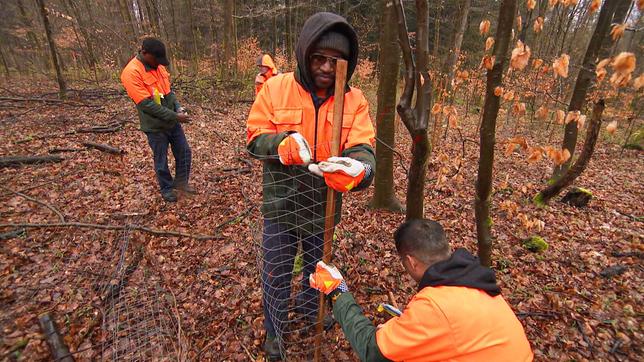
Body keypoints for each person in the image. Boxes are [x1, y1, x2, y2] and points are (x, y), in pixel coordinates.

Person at [246, 12, 376, 360]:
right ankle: (275, 331)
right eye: (319, 58)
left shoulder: (354, 100)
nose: (326, 68)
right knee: (276, 272)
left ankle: (310, 310)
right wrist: (282, 145)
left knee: (318, 268)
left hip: (325, 206)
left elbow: (363, 147)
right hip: (281, 204)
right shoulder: (275, 88)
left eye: (336, 61)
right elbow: (255, 138)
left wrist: (360, 169)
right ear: (305, 54)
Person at [310, 219, 534, 362]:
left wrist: (338, 290)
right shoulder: (477, 283)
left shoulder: (434, 306)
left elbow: (373, 350)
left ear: (411, 261)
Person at [120, 37, 195, 203]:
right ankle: (167, 188)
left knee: (184, 152)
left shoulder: (159, 66)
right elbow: (146, 105)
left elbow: (168, 92)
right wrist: (176, 116)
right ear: (144, 53)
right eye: (156, 59)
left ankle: (181, 183)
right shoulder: (131, 72)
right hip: (154, 125)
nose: (159, 63)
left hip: (172, 121)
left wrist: (177, 107)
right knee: (161, 159)